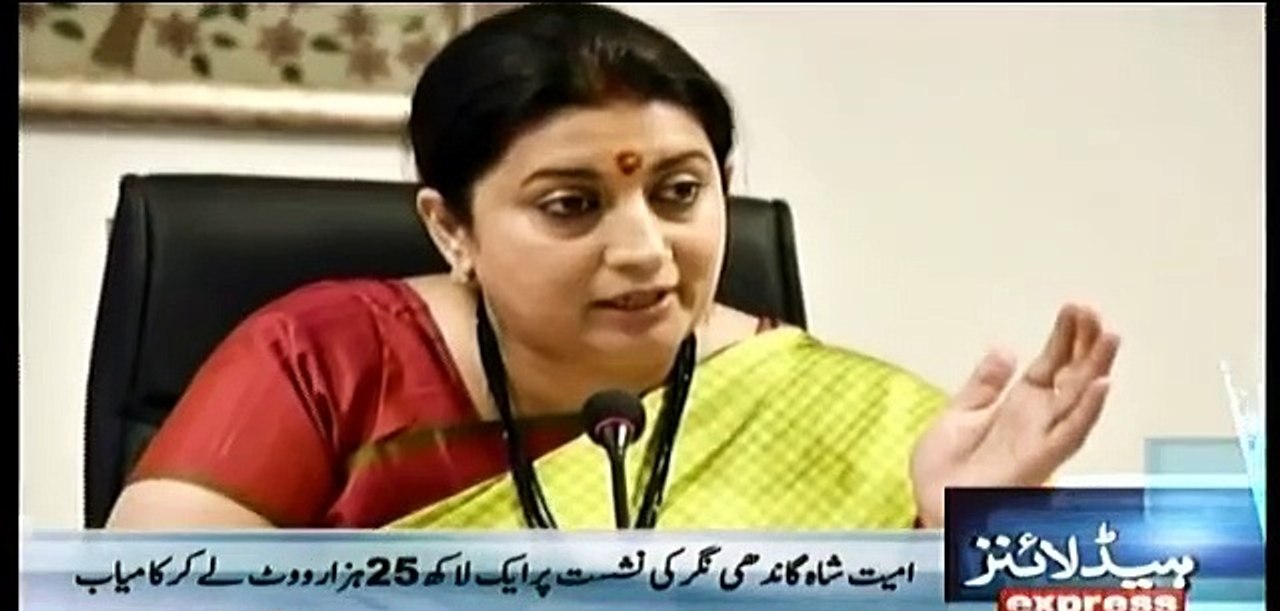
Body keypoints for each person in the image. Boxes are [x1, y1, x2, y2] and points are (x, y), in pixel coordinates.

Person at [106, 3, 1118, 535]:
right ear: (452, 230)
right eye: (571, 205)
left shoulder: (839, 412)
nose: (643, 249)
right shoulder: (321, 364)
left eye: (678, 192)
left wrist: (959, 544)